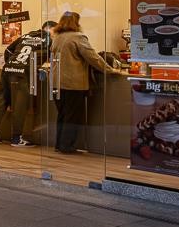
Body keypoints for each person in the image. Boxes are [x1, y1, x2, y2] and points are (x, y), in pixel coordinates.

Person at [49, 11, 127, 154]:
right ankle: (67, 146)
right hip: (73, 83)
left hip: (56, 83)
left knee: (62, 114)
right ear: (76, 22)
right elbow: (93, 58)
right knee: (72, 116)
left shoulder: (57, 37)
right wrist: (110, 70)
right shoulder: (78, 37)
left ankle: (59, 144)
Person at [0, 21, 56, 147]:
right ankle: (16, 138)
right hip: (23, 72)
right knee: (20, 105)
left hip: (8, 69)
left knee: (2, 99)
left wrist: (12, 64)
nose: (55, 35)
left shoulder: (26, 36)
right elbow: (53, 58)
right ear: (51, 29)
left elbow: (8, 50)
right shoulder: (48, 40)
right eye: (55, 32)